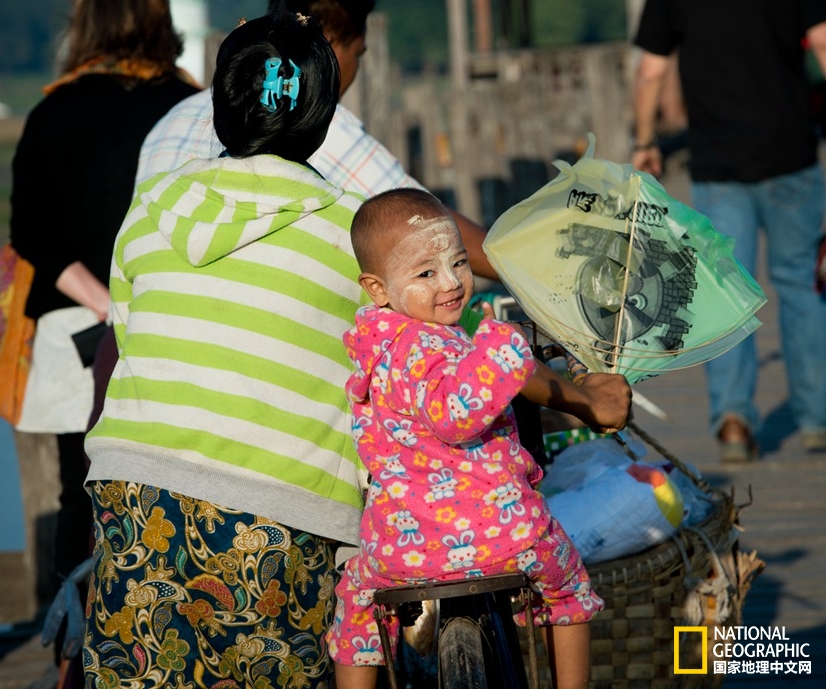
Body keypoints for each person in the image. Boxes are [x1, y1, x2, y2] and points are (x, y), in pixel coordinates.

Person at [82, 12, 367, 687]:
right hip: (283, 509)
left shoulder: (151, 206)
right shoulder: (351, 232)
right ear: (324, 117)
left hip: (136, 490)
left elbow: (124, 338)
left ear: (220, 109)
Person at [327, 188, 632, 689]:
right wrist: (503, 347)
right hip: (501, 534)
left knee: (357, 599)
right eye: (426, 273)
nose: (451, 283)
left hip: (401, 550)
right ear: (377, 287)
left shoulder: (375, 346)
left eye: (460, 263)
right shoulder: (426, 346)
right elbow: (455, 414)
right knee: (570, 586)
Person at [6, 0, 199, 676]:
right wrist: (134, 307)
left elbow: (31, 232)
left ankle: (72, 658)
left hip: (74, 327)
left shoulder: (53, 111)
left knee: (76, 492)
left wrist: (103, 302)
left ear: (84, 26)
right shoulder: (191, 105)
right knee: (175, 485)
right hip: (173, 323)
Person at [136, 0, 500, 284]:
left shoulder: (166, 136)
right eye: (358, 53)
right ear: (329, 45)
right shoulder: (306, 122)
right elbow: (421, 223)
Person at [631, 0, 826, 461]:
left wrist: (644, 141)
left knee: (726, 289)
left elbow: (650, 72)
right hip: (791, 153)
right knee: (800, 282)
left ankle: (733, 419)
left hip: (718, 165)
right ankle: (817, 418)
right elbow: (821, 40)